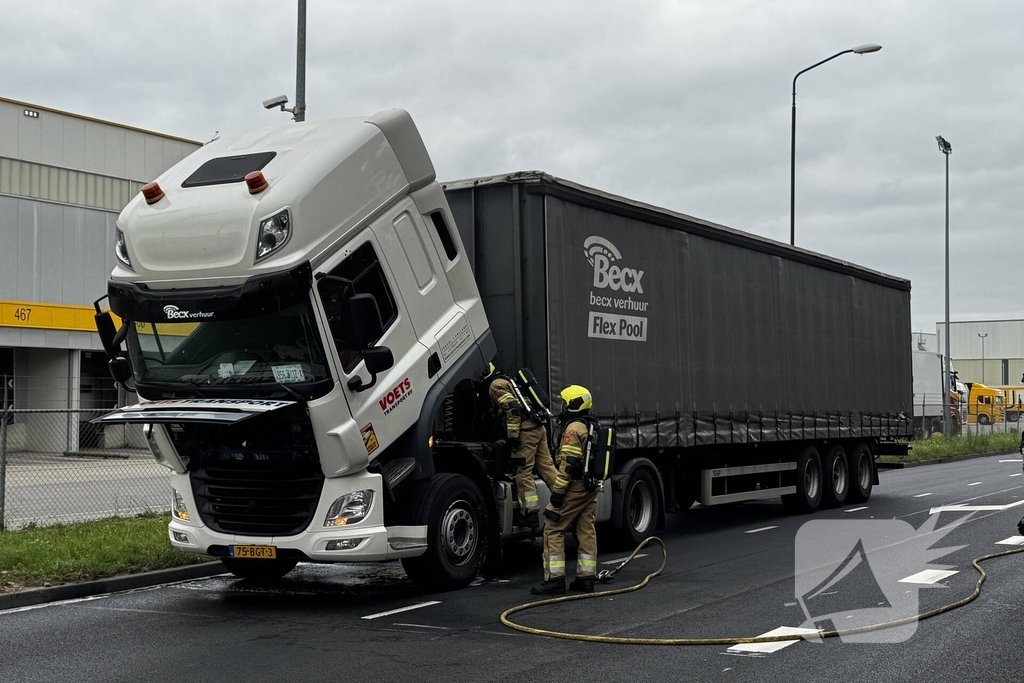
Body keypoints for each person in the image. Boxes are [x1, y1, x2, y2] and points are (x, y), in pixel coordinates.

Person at [532, 384, 599, 595]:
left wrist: (558, 494)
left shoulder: (573, 429)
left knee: (553, 527)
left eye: (565, 402)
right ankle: (586, 578)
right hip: (590, 488)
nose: (562, 406)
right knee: (585, 529)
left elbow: (568, 465)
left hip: (575, 488)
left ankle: (554, 579)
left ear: (573, 404)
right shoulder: (591, 426)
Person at [480, 363, 558, 528]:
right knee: (547, 467)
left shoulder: (495, 385)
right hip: (538, 428)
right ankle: (566, 502)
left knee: (523, 472)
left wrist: (513, 435)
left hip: (525, 432)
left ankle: (530, 514)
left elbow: (512, 408)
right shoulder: (507, 380)